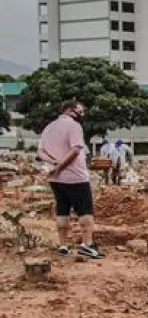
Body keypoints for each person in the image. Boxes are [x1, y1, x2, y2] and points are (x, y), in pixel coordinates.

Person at [36, 101, 102, 259]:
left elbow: (40, 151)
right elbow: (75, 150)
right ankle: (87, 244)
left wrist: (54, 164)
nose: (82, 115)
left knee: (62, 210)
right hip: (75, 177)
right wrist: (60, 165)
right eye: (81, 111)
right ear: (70, 110)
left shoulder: (49, 127)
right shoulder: (74, 126)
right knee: (85, 211)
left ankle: (63, 246)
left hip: (55, 179)